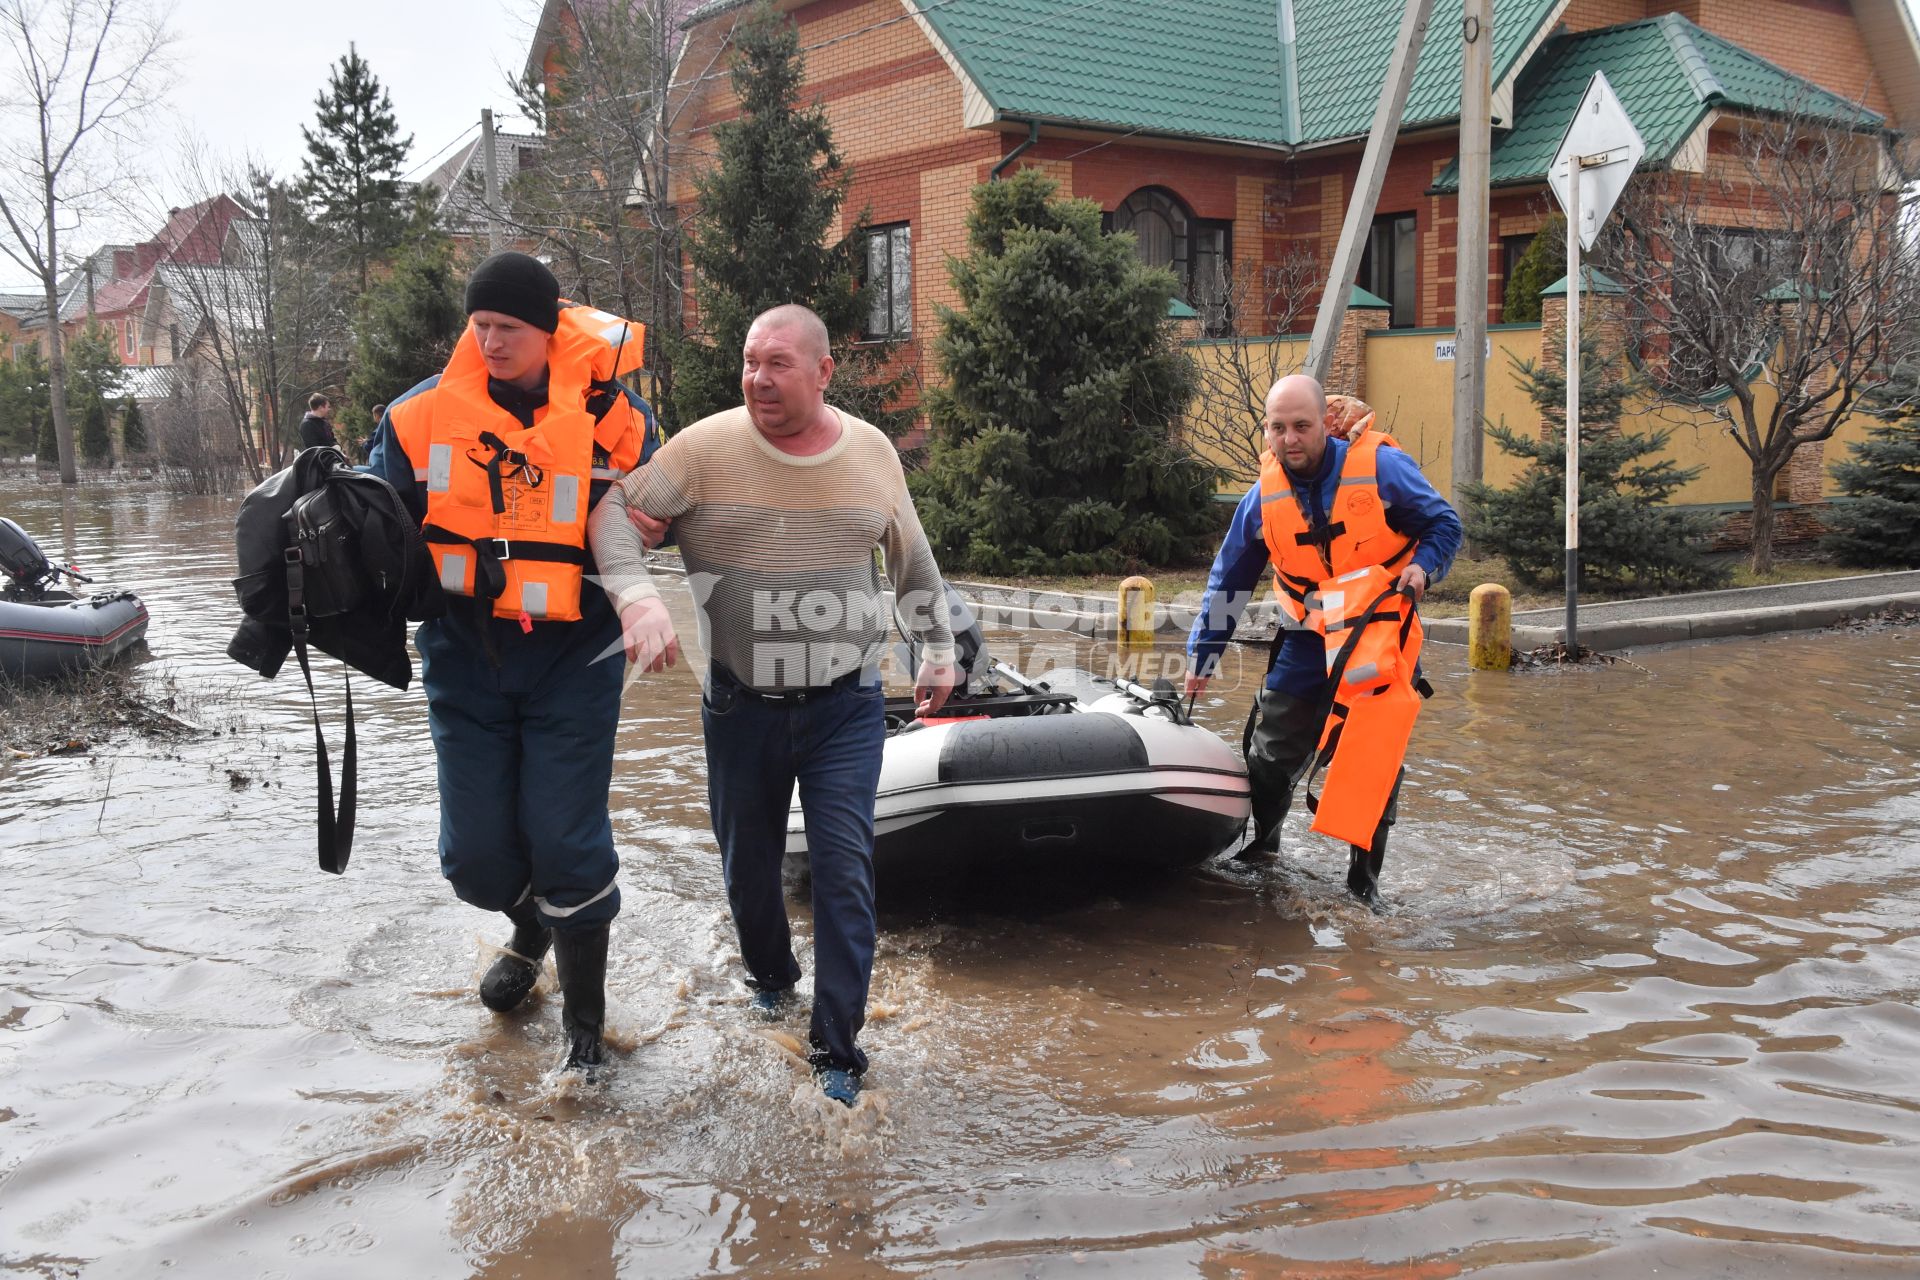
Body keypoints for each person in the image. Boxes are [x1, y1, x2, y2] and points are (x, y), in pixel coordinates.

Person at [588, 303, 958, 1107]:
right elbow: (615, 514)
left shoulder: (869, 453)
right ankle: (770, 978)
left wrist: (938, 647)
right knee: (748, 873)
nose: (758, 378)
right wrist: (635, 597)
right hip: (739, 704)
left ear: (824, 372)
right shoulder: (704, 450)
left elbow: (913, 559)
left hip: (846, 705)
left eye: (778, 363)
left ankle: (837, 1050)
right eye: (750, 361)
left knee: (844, 870)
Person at [365, 251, 663, 1080]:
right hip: (466, 656)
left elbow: (662, 509)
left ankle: (585, 1038)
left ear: (550, 330)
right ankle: (533, 928)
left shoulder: (619, 419)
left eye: (510, 329)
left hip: (575, 655)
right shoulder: (417, 418)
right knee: (475, 859)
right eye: (480, 326)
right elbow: (374, 522)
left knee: (567, 842)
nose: (492, 342)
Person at [1185, 374, 1462, 904]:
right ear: (1266, 431)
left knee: (1370, 757)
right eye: (1278, 428)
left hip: (1374, 635)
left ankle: (1364, 881)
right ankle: (1264, 849)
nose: (1290, 439)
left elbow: (1444, 525)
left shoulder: (1381, 467)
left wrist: (1425, 567)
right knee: (1269, 754)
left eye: (1301, 426)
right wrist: (1204, 652)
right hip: (1306, 638)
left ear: (1323, 425)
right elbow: (1230, 577)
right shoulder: (1263, 494)